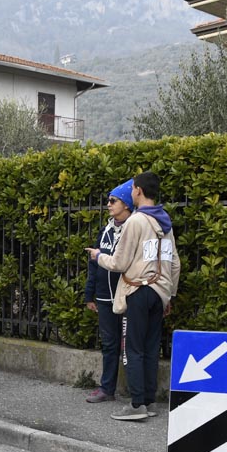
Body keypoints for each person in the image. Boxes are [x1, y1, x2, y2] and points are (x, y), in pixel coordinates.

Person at [87, 171, 180, 422]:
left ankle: (136, 403)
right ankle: (148, 400)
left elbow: (119, 262)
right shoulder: (165, 222)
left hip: (138, 291)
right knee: (150, 348)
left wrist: (98, 256)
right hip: (160, 292)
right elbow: (174, 263)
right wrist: (169, 294)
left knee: (132, 349)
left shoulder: (136, 222)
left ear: (137, 190)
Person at [84, 179, 134, 404]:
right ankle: (107, 389)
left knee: (132, 345)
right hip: (105, 297)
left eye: (113, 200)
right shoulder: (105, 230)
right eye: (108, 200)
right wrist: (89, 294)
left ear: (126, 204)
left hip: (128, 297)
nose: (109, 204)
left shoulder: (134, 228)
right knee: (109, 344)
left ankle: (137, 393)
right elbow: (94, 262)